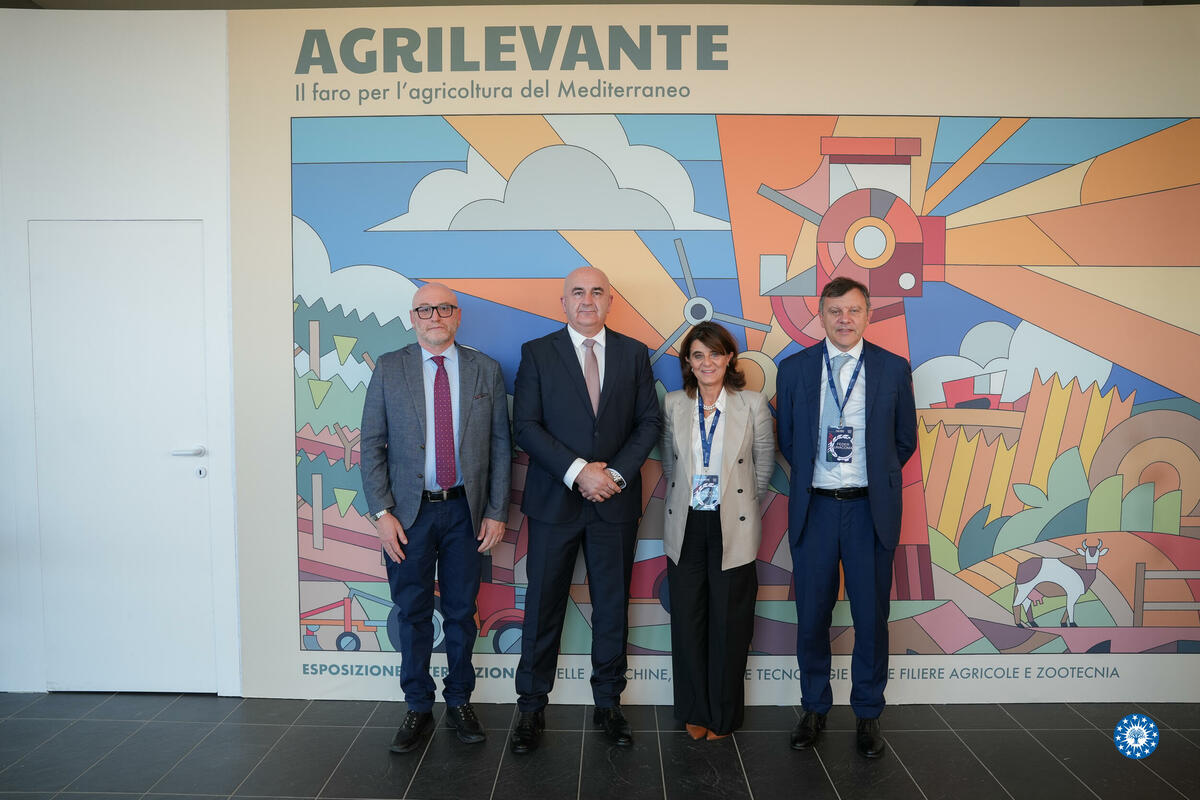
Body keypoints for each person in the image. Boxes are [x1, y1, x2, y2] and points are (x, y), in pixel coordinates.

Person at [509, 266, 659, 753]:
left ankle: (609, 704)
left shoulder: (634, 354)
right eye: (578, 292)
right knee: (542, 606)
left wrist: (612, 476)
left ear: (610, 300)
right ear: (564, 302)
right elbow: (525, 426)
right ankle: (531, 707)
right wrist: (578, 472)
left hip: (614, 501)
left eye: (597, 292)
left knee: (611, 606)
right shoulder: (537, 353)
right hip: (555, 501)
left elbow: (648, 423)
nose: (587, 300)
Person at [360, 282, 512, 754]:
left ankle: (460, 700)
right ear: (413, 318)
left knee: (462, 612)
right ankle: (417, 706)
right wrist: (382, 513)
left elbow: (501, 447)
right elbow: (371, 445)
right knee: (412, 611)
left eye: (444, 308)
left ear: (457, 315)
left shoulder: (486, 369)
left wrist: (496, 511)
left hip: (466, 511)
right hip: (409, 516)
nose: (434, 317)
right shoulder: (389, 368)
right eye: (424, 310)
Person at [776, 276, 916, 759]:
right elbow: (788, 438)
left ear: (868, 315)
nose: (844, 319)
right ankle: (814, 709)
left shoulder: (893, 369)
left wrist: (872, 477)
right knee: (812, 617)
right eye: (835, 311)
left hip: (869, 511)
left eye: (854, 310)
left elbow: (904, 440)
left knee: (871, 619)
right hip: (814, 508)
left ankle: (868, 714)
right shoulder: (793, 369)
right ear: (821, 315)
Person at [660, 322, 775, 741]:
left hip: (733, 522)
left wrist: (737, 504)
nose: (706, 362)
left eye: (714, 353)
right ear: (688, 363)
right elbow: (670, 465)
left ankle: (723, 715)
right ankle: (693, 709)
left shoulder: (752, 404)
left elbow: (763, 466)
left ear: (729, 358)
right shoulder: (674, 404)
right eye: (697, 355)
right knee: (688, 619)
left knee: (730, 622)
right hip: (687, 521)